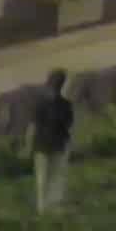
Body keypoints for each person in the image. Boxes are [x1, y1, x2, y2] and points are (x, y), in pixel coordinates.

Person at [28, 67, 77, 215]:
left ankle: (42, 207)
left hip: (42, 144)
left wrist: (28, 145)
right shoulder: (65, 105)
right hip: (58, 144)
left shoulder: (40, 104)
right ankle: (54, 206)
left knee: (42, 178)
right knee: (56, 176)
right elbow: (69, 126)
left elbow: (32, 127)